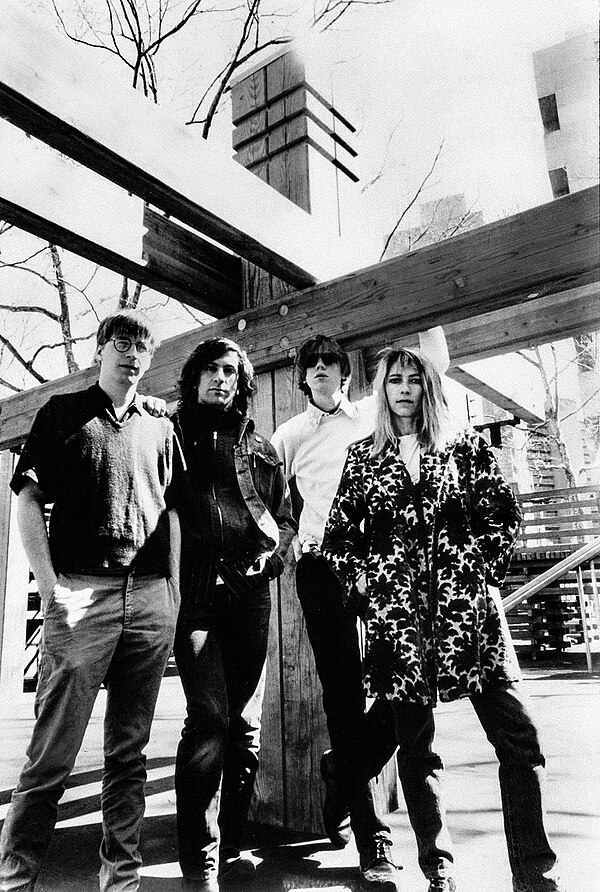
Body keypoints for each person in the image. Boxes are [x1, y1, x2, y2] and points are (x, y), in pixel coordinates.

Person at [322, 345, 564, 892]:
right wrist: (367, 580)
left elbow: (504, 515)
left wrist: (475, 566)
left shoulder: (467, 449)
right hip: (401, 628)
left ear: (430, 386)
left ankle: (535, 874)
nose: (404, 388)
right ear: (382, 390)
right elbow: (338, 539)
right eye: (394, 380)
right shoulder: (363, 458)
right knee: (417, 749)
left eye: (414, 379)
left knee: (519, 740)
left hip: (471, 620)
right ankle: (439, 866)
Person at [0, 309, 184, 892]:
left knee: (128, 753)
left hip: (151, 597)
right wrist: (51, 586)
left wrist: (174, 591)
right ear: (100, 350)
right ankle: (16, 876)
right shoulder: (62, 414)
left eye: (141, 348)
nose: (131, 355)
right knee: (53, 752)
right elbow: (28, 501)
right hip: (83, 595)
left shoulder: (160, 424)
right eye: (120, 343)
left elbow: (173, 511)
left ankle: (121, 878)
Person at [271, 328, 449, 891]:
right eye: (312, 363)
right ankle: (373, 837)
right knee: (343, 696)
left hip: (383, 568)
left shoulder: (372, 415)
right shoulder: (288, 435)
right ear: (302, 376)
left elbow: (431, 372)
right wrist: (284, 534)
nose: (321, 368)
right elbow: (257, 489)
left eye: (331, 361)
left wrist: (431, 323)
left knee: (409, 686)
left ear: (346, 374)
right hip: (322, 570)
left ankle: (343, 767)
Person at [171, 338, 296, 892]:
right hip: (193, 596)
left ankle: (233, 847)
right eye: (210, 370)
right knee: (208, 720)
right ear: (194, 377)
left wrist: (272, 559)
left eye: (229, 371)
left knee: (243, 726)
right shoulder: (169, 436)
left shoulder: (261, 448)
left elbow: (286, 516)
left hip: (250, 595)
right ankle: (197, 857)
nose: (220, 379)